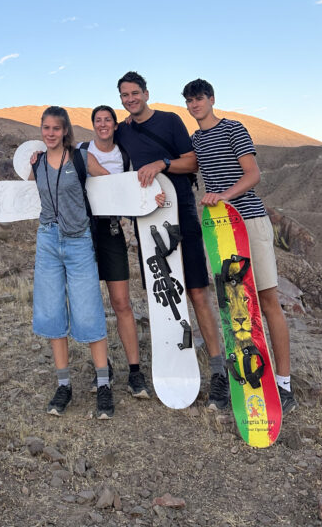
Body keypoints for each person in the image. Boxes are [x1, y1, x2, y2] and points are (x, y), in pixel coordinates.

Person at [0, 106, 115, 419]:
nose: (51, 133)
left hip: (79, 242)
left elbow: (114, 188)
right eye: (46, 128)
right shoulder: (38, 163)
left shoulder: (83, 159)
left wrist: (149, 196)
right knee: (52, 310)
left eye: (56, 128)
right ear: (41, 131)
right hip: (47, 242)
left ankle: (104, 385)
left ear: (66, 131)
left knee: (88, 309)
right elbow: (24, 198)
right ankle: (64, 385)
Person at [113, 71, 229, 409]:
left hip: (183, 215)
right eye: (125, 95)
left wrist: (162, 164)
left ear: (146, 93)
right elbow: (101, 154)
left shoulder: (170, 121)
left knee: (196, 292)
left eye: (135, 93)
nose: (130, 99)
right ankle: (176, 367)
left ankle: (219, 372)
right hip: (149, 222)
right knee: (164, 294)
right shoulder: (122, 131)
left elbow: (193, 160)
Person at [182, 78, 297, 415]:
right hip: (220, 231)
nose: (194, 105)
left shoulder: (234, 129)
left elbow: (253, 174)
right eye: (189, 101)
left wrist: (224, 197)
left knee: (267, 299)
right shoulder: (196, 140)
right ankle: (249, 380)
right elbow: (185, 166)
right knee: (237, 307)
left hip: (249, 221)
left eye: (199, 98)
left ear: (211, 99)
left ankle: (285, 385)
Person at [79, 104, 161, 399]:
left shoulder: (124, 155)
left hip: (112, 231)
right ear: (93, 125)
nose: (103, 124)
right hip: (84, 231)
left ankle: (135, 372)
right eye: (98, 120)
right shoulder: (80, 149)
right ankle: (104, 368)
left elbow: (135, 189)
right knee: (91, 304)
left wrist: (156, 197)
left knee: (121, 302)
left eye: (107, 120)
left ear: (115, 125)